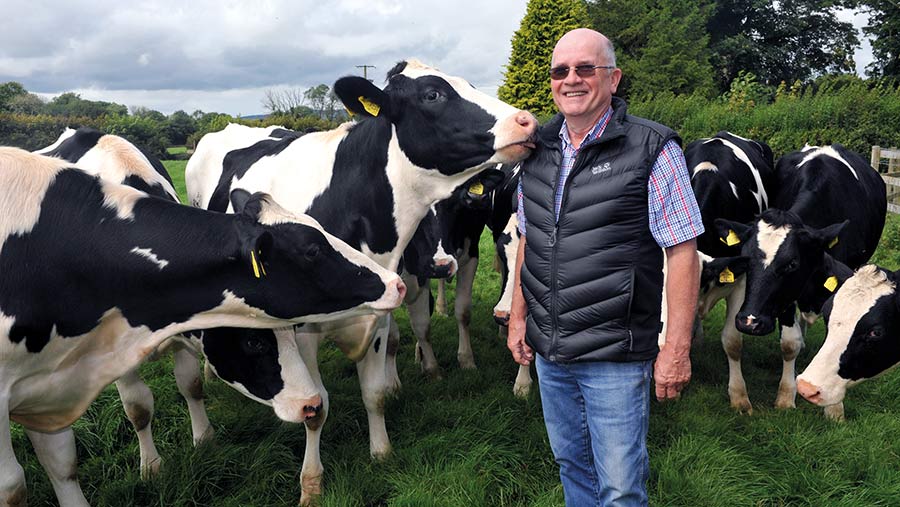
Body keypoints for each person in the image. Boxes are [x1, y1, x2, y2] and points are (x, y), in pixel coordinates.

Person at [507, 28, 702, 506]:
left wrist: (675, 349)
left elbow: (683, 252)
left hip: (614, 354)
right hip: (550, 351)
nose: (571, 79)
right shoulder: (536, 150)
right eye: (560, 71)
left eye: (585, 69)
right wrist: (518, 316)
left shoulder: (652, 147)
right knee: (572, 466)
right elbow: (529, 239)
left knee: (618, 486)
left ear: (613, 79)